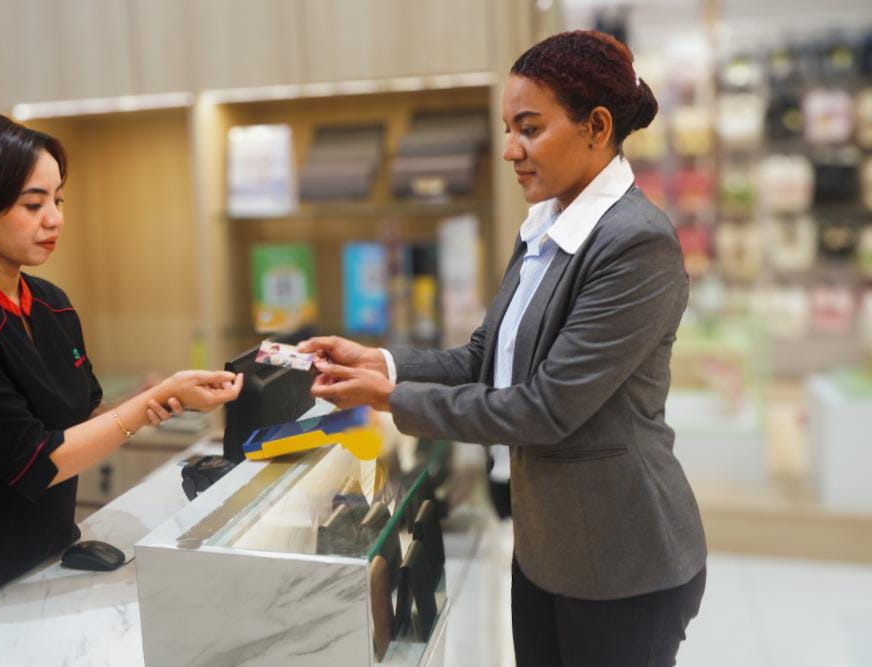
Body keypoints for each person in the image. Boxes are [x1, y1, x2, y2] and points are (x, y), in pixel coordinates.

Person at [298, 30, 706, 666]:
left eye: (530, 129)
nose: (511, 149)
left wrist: (392, 398)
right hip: (545, 547)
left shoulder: (635, 244)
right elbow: (486, 357)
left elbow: (544, 408)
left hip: (624, 561)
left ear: (597, 127)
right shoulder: (546, 224)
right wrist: (382, 363)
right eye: (508, 129)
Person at [0, 110, 243, 651]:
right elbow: (38, 461)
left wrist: (156, 398)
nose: (54, 219)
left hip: (36, 561)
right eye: (33, 204)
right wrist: (147, 406)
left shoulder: (52, 304)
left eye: (58, 200)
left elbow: (83, 419)